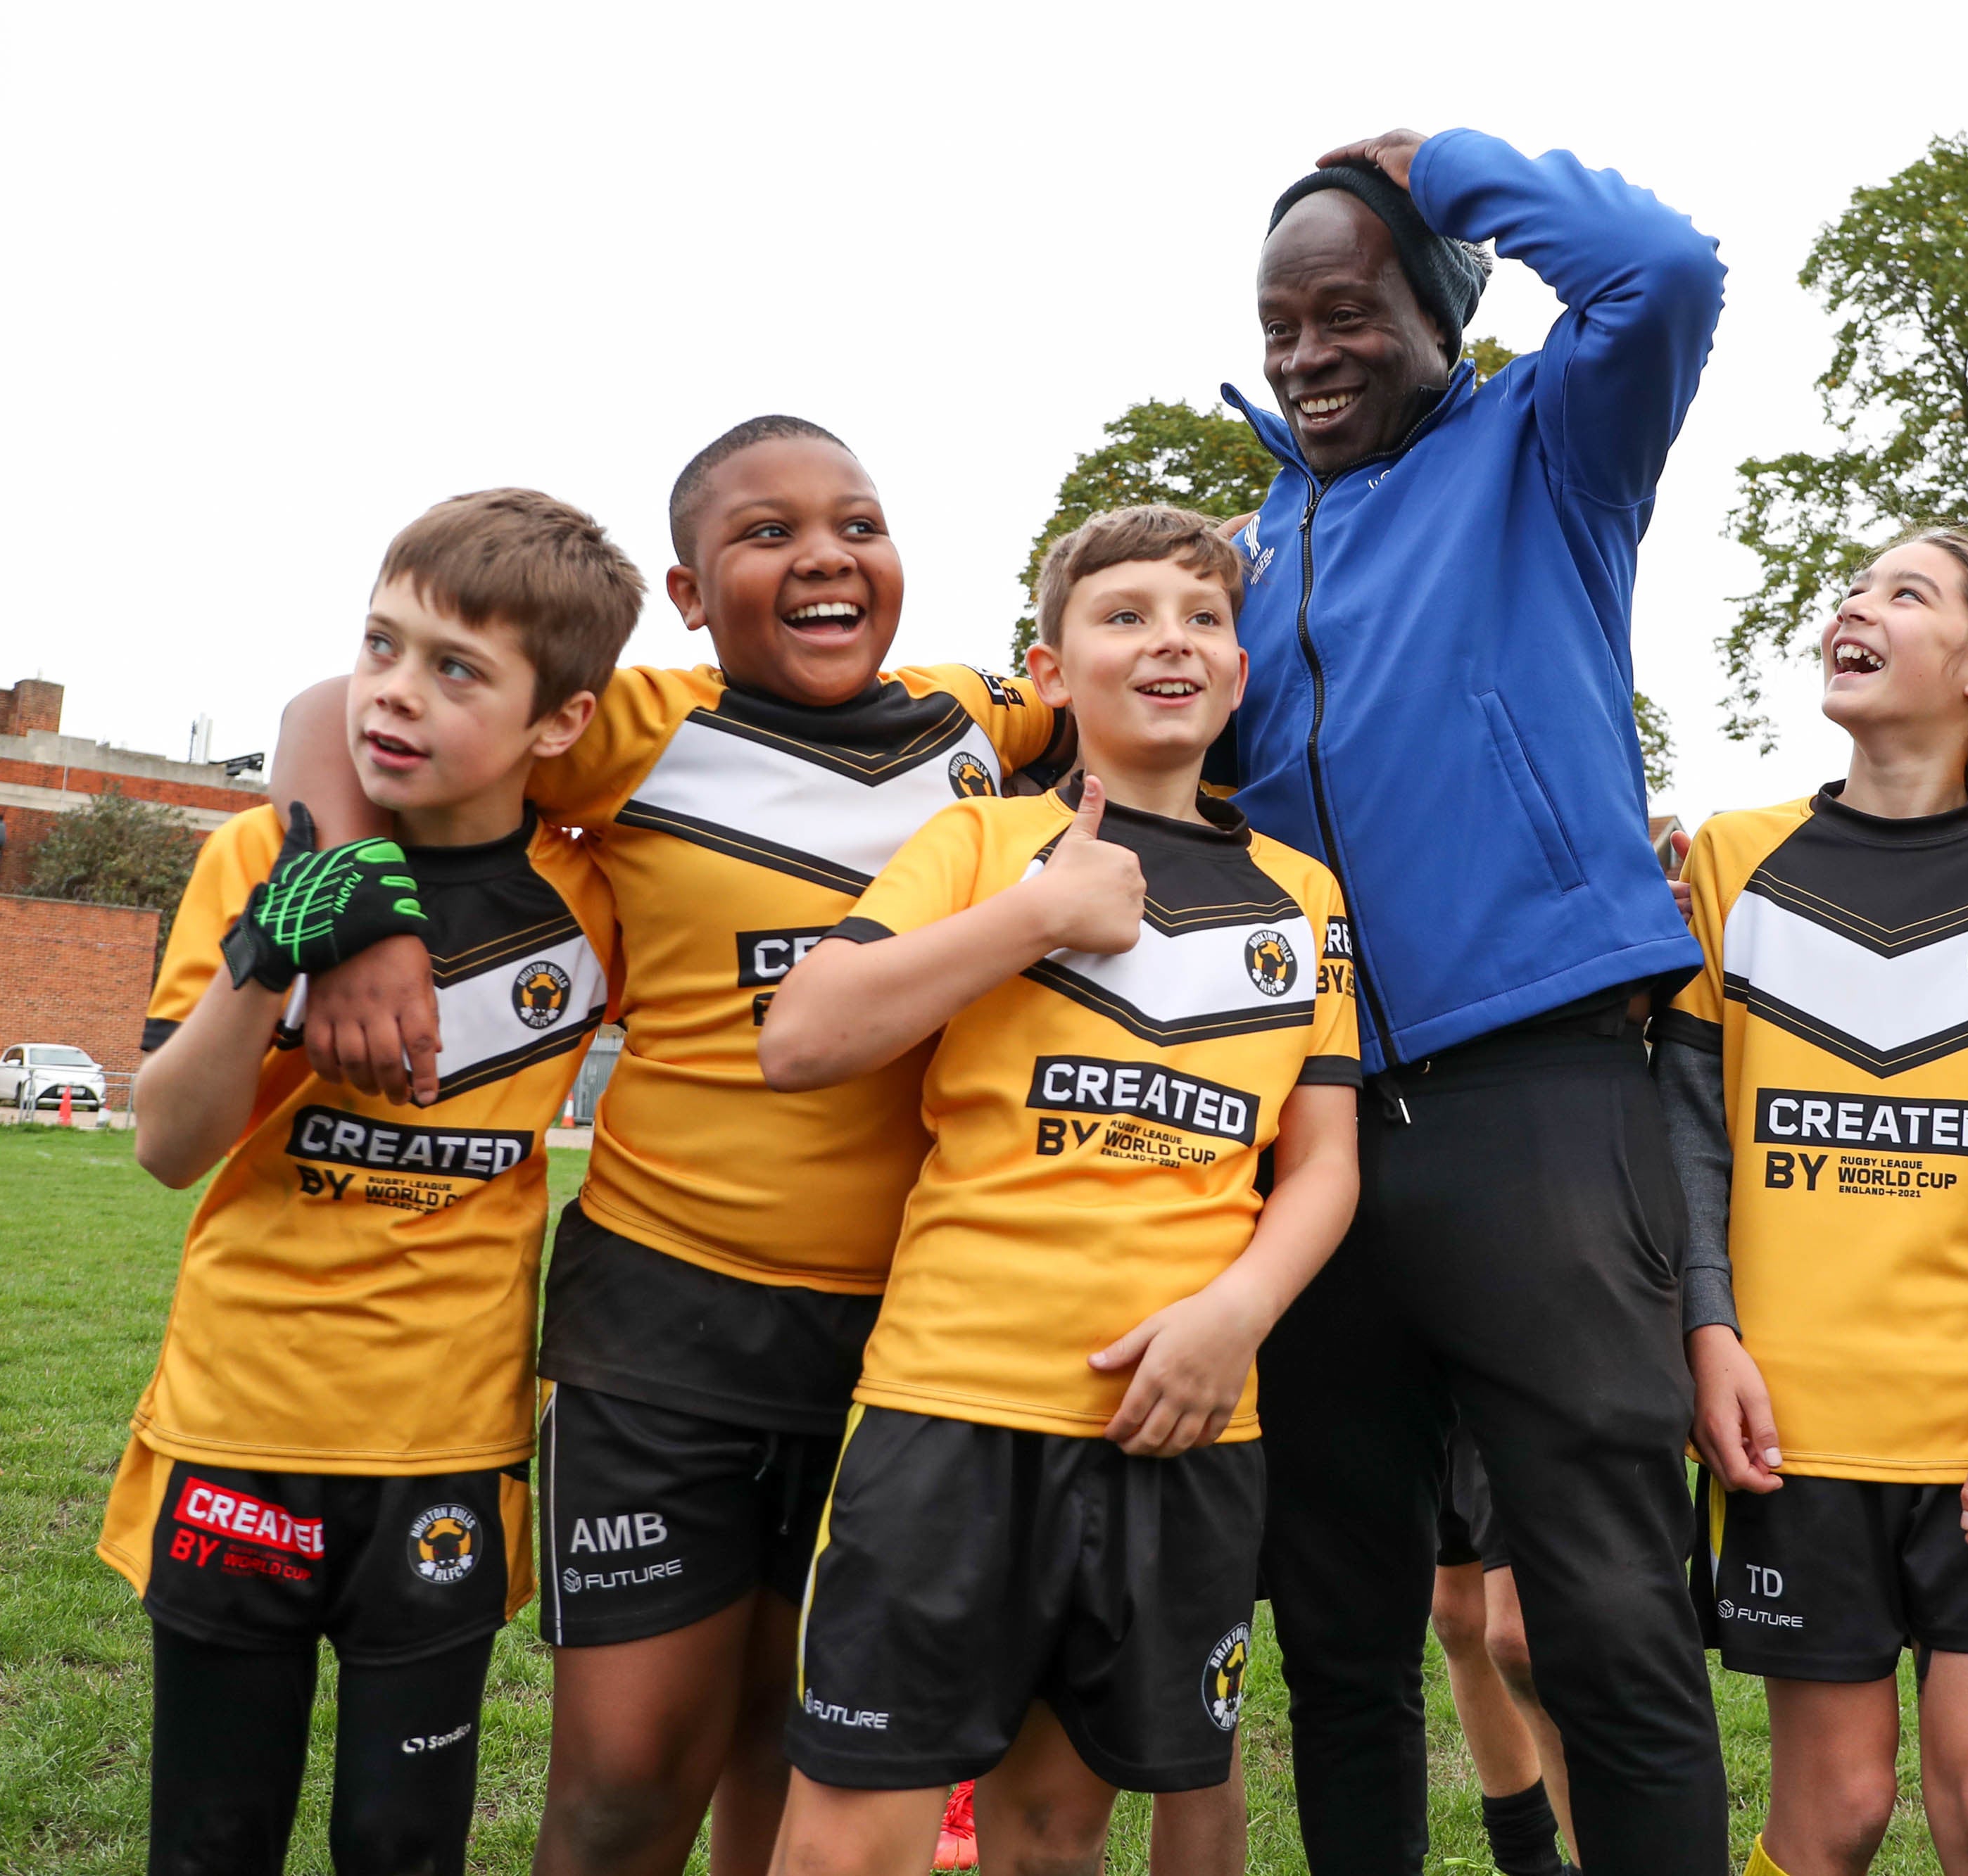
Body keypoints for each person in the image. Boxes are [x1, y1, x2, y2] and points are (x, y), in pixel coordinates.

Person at [263, 419, 1087, 1875]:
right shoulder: (637, 729)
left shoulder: (977, 720)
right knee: (625, 1782)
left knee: (797, 1755)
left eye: (858, 521)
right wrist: (362, 910)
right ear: (692, 593)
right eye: (766, 533)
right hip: (665, 1326)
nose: (824, 553)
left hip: (907, 1338)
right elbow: (332, 707)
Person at [1221, 124, 1731, 1876]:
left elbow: (1660, 272)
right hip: (1320, 1137)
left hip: (1542, 1104)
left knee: (1603, 1611)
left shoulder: (1548, 447)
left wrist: (1441, 162)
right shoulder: (1249, 551)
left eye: (1346, 311)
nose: (1306, 355)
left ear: (1442, 304)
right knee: (1339, 1630)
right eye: (1279, 325)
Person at [752, 505, 1362, 1872]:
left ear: (1239, 672)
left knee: (1051, 1835)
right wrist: (1036, 913)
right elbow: (801, 1038)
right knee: (849, 1843)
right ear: (1048, 669)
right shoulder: (980, 847)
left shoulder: (1302, 895)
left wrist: (1237, 1313)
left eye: (1204, 619)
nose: (1172, 642)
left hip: (1180, 1426)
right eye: (1127, 614)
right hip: (948, 1410)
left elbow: (1322, 1163)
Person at [104, 489, 637, 1875]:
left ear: (559, 723)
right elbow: (167, 1143)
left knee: (401, 1840)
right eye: (380, 647)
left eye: (456, 670)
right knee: (212, 1836)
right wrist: (273, 950)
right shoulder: (261, 850)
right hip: (240, 1421)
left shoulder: (594, 899)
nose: (394, 694)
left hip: (445, 1441)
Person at [1666, 531, 1968, 1876]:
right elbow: (1688, 1132)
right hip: (1790, 1420)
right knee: (1836, 1813)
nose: (1855, 603)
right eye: (1850, 586)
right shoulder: (1735, 859)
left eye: (1904, 592)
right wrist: (1706, 1330)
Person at [1428, 1425, 1577, 1876]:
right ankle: (1530, 1865)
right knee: (1456, 1613)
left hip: (1510, 1367)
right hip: (1417, 1364)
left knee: (1521, 1637)